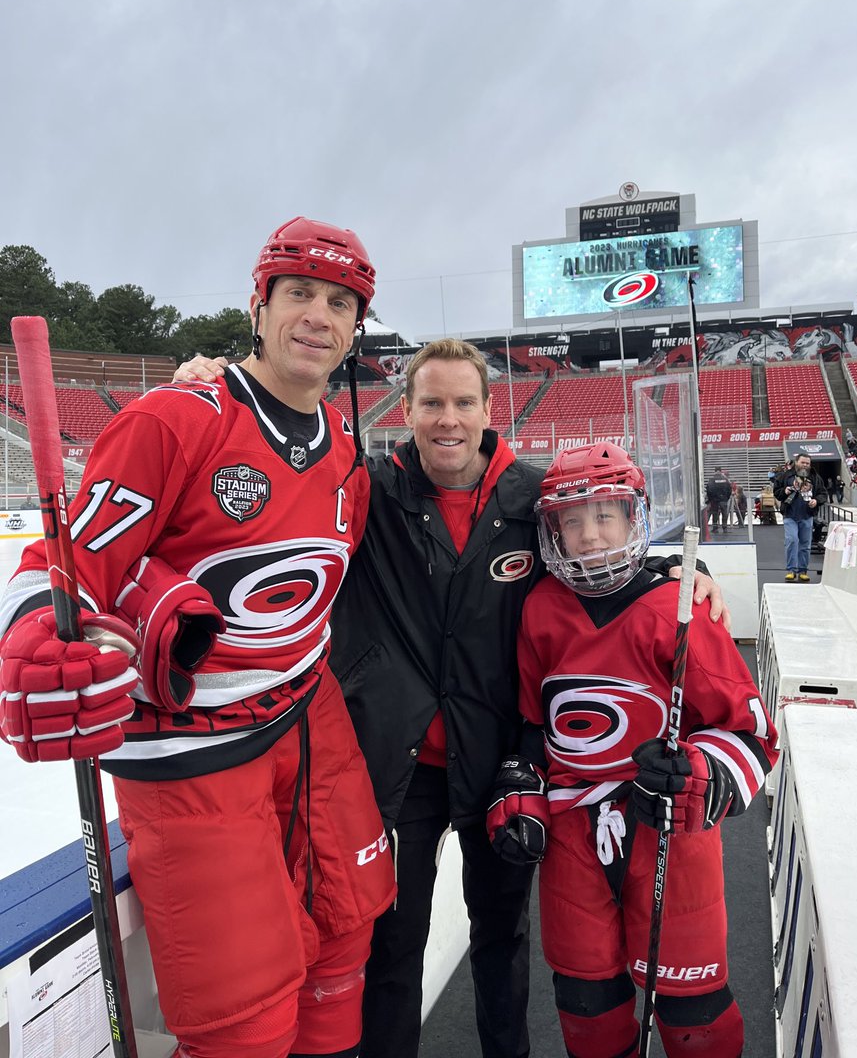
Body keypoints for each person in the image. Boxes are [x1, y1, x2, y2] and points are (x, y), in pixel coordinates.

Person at [175, 338, 730, 1058]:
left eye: (462, 402)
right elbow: (271, 477)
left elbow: (603, 552)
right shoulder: (365, 488)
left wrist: (690, 571)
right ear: (404, 409)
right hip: (395, 767)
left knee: (501, 938)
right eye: (431, 402)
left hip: (503, 761)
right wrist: (212, 390)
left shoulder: (533, 498)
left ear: (487, 409)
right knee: (392, 945)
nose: (448, 419)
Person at [0, 217, 397, 1058]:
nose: (318, 316)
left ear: (357, 328)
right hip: (191, 755)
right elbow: (65, 563)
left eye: (339, 302)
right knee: (241, 1023)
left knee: (344, 950)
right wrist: (37, 633)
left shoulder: (348, 457)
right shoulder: (176, 419)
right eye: (299, 294)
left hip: (310, 722)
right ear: (259, 305)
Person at [487, 442, 777, 1057]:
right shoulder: (539, 607)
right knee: (587, 1005)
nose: (589, 536)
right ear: (552, 530)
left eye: (605, 515)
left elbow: (750, 730)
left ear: (634, 516)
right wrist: (519, 785)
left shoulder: (680, 610)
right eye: (572, 520)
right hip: (572, 833)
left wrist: (700, 773)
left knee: (692, 1012)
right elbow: (536, 724)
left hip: (668, 830)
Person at [772, 451, 827, 583]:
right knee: (791, 540)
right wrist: (784, 491)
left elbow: (823, 494)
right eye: (803, 462)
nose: (805, 465)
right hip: (790, 515)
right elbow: (777, 492)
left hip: (807, 515)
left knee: (805, 544)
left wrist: (816, 501)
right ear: (796, 462)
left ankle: (803, 571)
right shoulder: (785, 476)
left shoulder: (815, 477)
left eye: (807, 463)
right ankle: (791, 570)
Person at [704, 466, 731, 534]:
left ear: (715, 471)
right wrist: (726, 498)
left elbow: (708, 490)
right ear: (720, 470)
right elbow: (729, 489)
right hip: (723, 499)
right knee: (724, 513)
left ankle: (715, 528)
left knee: (715, 513)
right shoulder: (725, 479)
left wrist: (710, 499)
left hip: (714, 500)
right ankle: (724, 528)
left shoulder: (712, 480)